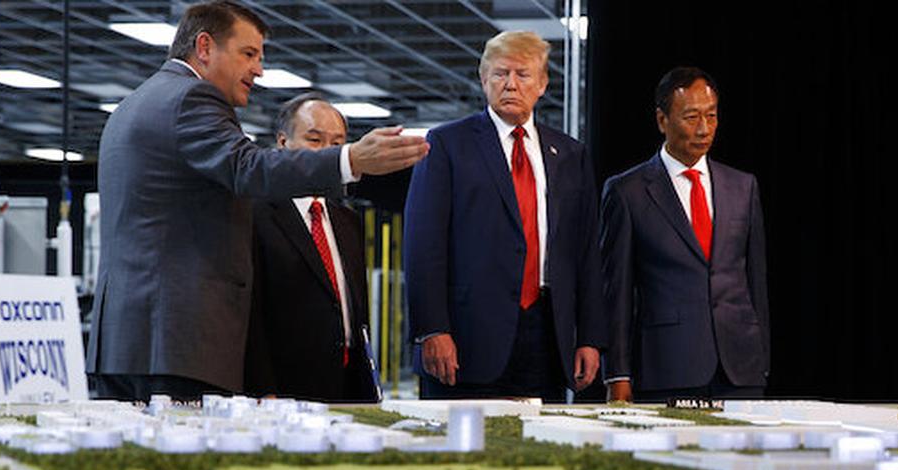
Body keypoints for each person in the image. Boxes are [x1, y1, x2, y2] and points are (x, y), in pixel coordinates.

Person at [87, 0, 427, 401]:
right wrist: (348, 159)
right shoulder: (192, 98)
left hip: (130, 341)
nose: (259, 70)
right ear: (205, 46)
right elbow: (248, 167)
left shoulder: (136, 103)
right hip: (178, 344)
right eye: (248, 54)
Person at [404, 30, 604, 402]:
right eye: (499, 74)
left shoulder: (571, 154)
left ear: (542, 84)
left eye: (522, 74)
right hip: (464, 339)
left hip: (548, 337)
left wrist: (590, 337)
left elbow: (586, 253)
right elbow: (422, 245)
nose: (510, 84)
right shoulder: (446, 144)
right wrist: (432, 329)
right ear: (483, 81)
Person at [601, 67, 770, 402]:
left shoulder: (742, 186)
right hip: (667, 367)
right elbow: (616, 292)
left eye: (712, 115)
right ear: (662, 120)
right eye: (691, 117)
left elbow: (755, 280)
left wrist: (761, 356)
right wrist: (617, 374)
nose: (704, 128)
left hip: (740, 368)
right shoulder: (627, 192)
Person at [244, 93, 376, 402]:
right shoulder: (255, 215)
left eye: (336, 144)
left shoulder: (349, 221)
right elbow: (251, 313)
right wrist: (263, 388)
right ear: (282, 143)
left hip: (347, 385)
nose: (326, 155)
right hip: (282, 388)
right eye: (315, 140)